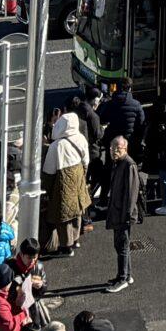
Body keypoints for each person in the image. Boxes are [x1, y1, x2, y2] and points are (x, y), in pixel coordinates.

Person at [44, 102, 93, 252]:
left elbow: (49, 171)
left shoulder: (56, 146)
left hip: (62, 181)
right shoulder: (80, 138)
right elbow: (86, 160)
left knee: (63, 215)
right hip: (78, 177)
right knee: (77, 210)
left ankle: (66, 246)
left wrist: (47, 189)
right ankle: (76, 239)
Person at [100, 136, 142, 292]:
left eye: (117, 148)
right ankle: (126, 274)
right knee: (121, 245)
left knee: (122, 245)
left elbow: (131, 194)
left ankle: (122, 278)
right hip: (118, 212)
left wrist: (127, 214)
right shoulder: (119, 164)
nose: (114, 151)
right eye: (112, 148)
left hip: (123, 214)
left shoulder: (128, 165)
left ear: (125, 148)